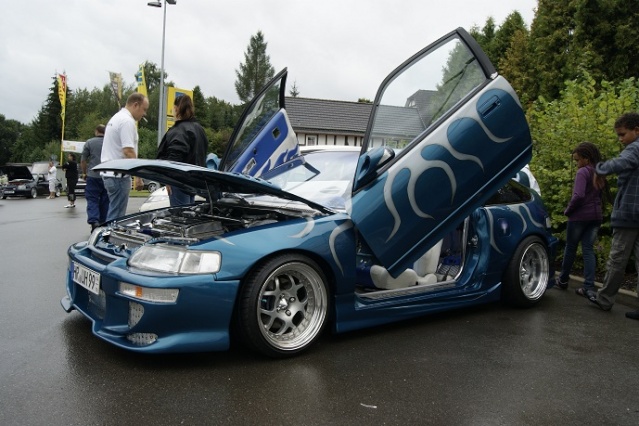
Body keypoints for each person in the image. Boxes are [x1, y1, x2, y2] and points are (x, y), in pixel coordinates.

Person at [587, 112, 639, 320]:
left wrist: (598, 170)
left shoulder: (635, 148)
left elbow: (618, 163)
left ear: (637, 131)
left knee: (617, 260)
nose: (621, 139)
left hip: (629, 215)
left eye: (622, 134)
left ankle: (604, 299)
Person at [555, 142, 606, 296]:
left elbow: (578, 195)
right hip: (596, 216)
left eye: (577, 160)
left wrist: (568, 210)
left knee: (570, 247)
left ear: (586, 158)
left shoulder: (583, 172)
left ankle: (563, 280)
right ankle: (589, 286)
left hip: (579, 217)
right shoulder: (599, 171)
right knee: (588, 250)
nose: (576, 164)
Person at [101, 92, 147, 221]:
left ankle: (107, 237)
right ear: (136, 105)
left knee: (114, 211)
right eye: (144, 109)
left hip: (110, 173)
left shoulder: (116, 118)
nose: (144, 114)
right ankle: (108, 239)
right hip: (119, 176)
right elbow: (128, 151)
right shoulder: (127, 121)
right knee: (117, 216)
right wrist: (138, 177)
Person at [157, 94, 208, 206]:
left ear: (176, 109)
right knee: (189, 213)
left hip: (179, 181)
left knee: (180, 216)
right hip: (194, 180)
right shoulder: (199, 129)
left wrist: (169, 180)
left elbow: (174, 158)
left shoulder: (179, 131)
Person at [81, 124, 110, 231]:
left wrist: (84, 173)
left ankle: (94, 221)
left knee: (92, 199)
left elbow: (83, 160)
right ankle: (103, 222)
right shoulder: (110, 142)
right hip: (107, 175)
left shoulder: (89, 142)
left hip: (93, 175)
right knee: (105, 200)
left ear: (96, 131)